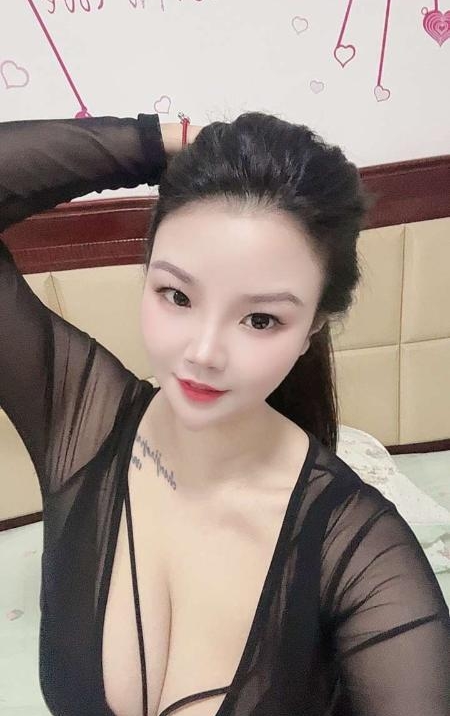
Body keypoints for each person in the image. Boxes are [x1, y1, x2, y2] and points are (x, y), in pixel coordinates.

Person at [0, 111, 448, 716]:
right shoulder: (80, 421)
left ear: (313, 326)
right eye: (177, 295)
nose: (204, 352)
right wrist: (160, 142)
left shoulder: (358, 554)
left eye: (260, 319)